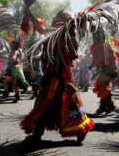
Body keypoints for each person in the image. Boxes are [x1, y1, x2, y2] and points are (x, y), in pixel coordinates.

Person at [20, 8, 94, 144]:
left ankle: (81, 129)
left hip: (62, 78)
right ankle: (37, 134)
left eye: (56, 17)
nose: (53, 19)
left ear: (63, 22)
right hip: (50, 75)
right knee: (44, 104)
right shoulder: (52, 34)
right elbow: (41, 29)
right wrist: (30, 12)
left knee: (66, 105)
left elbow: (74, 55)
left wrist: (64, 44)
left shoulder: (70, 37)